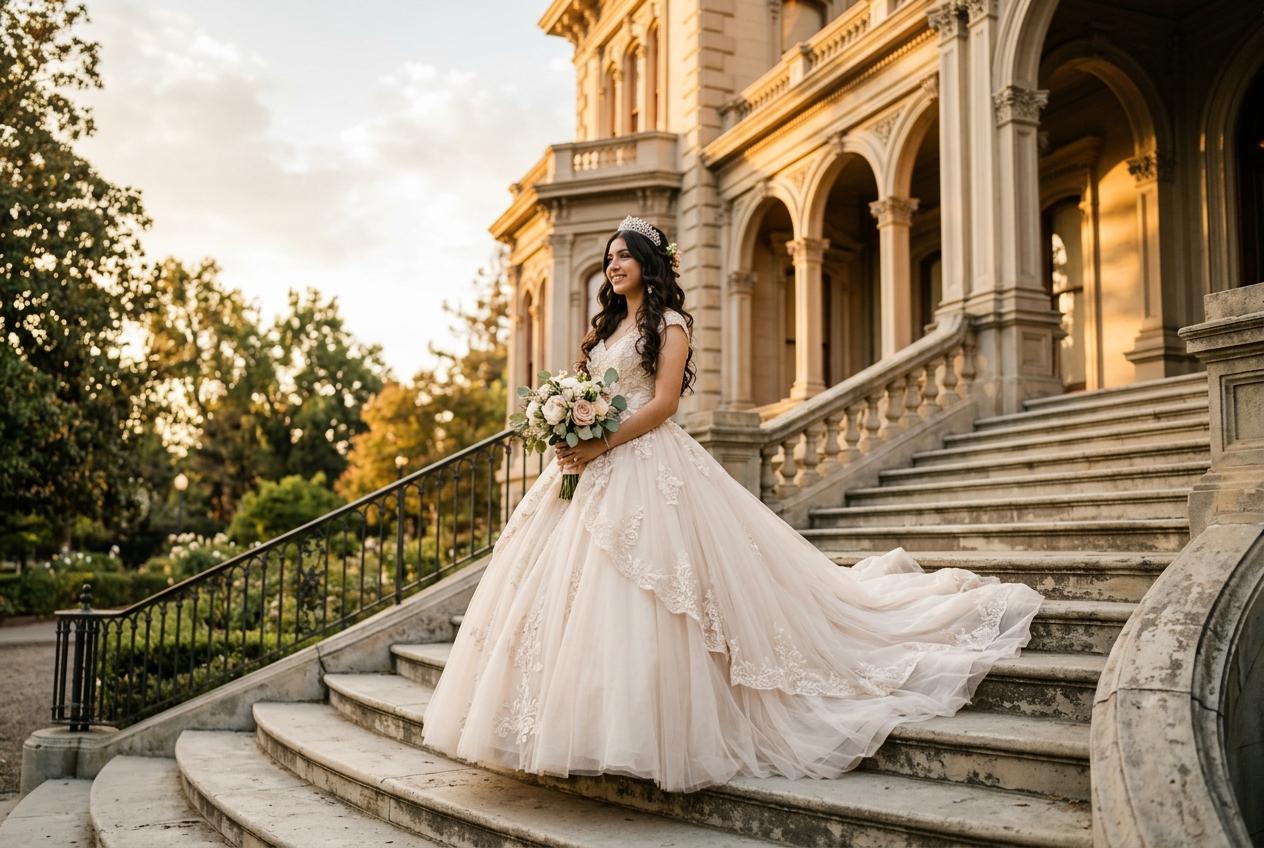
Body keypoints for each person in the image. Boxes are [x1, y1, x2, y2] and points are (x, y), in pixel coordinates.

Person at [420, 214, 1044, 793]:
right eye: (608, 259)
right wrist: (569, 428)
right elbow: (597, 390)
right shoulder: (606, 328)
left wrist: (598, 440)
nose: (613, 267)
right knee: (562, 591)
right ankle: (566, 721)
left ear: (647, 263)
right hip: (592, 467)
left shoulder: (671, 326)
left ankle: (651, 728)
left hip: (643, 461)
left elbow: (663, 404)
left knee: (655, 593)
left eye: (623, 257)